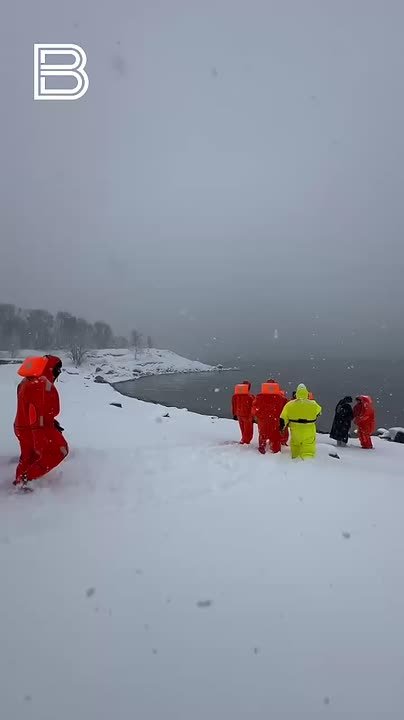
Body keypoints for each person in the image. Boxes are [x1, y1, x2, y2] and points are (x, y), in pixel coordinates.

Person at [14, 355, 69, 487]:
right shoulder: (41, 384)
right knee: (60, 450)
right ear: (51, 369)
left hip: (21, 426)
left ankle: (19, 482)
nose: (58, 373)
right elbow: (41, 410)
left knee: (29, 456)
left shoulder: (26, 381)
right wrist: (38, 433)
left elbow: (29, 408)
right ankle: (27, 479)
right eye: (57, 369)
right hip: (37, 427)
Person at [280, 383, 322, 459]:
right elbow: (319, 412)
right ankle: (307, 462)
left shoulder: (289, 405)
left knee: (295, 448)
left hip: (295, 432)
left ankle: (295, 460)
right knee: (308, 450)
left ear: (296, 393)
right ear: (307, 393)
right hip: (309, 432)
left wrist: (282, 428)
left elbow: (282, 419)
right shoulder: (313, 404)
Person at [251, 381, 285, 454]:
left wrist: (258, 417)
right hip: (275, 421)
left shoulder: (259, 397)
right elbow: (285, 409)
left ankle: (262, 448)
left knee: (263, 434)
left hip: (263, 421)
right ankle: (276, 451)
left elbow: (254, 410)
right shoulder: (280, 398)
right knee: (275, 437)